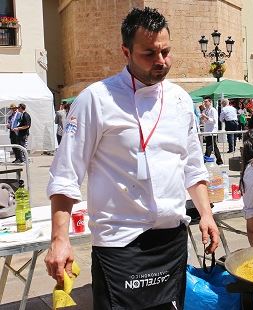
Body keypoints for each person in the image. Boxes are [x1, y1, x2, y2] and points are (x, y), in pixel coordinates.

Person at [44, 8, 220, 310]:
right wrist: (60, 239)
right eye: (149, 53)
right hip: (120, 243)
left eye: (166, 51)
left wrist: (206, 214)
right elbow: (66, 174)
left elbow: (193, 166)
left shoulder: (180, 99)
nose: (161, 61)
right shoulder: (96, 99)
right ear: (126, 51)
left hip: (171, 239)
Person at [202, 97, 224, 165]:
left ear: (210, 102)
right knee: (214, 146)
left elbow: (214, 120)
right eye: (204, 102)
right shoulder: (205, 110)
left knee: (209, 146)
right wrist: (203, 118)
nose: (205, 103)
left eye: (206, 101)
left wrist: (206, 117)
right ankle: (219, 160)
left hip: (212, 130)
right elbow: (204, 121)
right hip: (207, 130)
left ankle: (205, 160)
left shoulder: (213, 110)